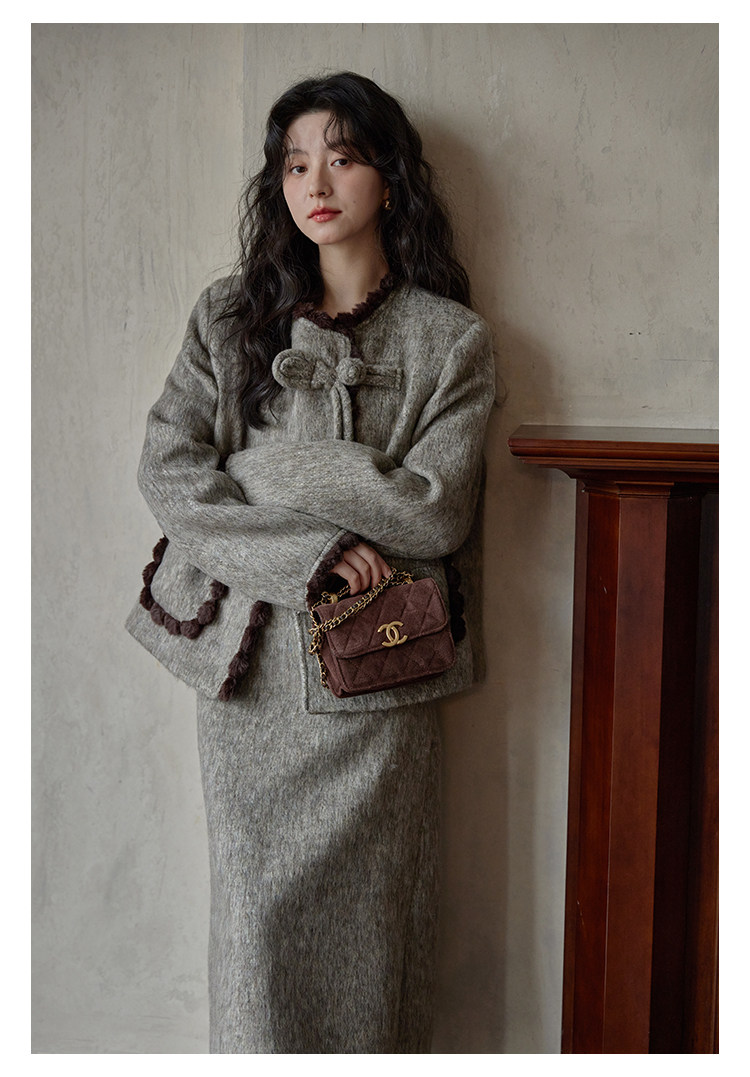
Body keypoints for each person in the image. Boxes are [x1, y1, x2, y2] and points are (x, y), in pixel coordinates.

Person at [126, 71, 495, 1054]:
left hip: (381, 692)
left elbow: (435, 508)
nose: (315, 183)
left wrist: (261, 469)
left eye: (342, 156)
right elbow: (170, 473)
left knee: (377, 944)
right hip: (249, 692)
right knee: (254, 943)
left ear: (390, 176)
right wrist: (312, 545)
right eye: (294, 164)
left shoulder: (449, 341)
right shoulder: (226, 319)